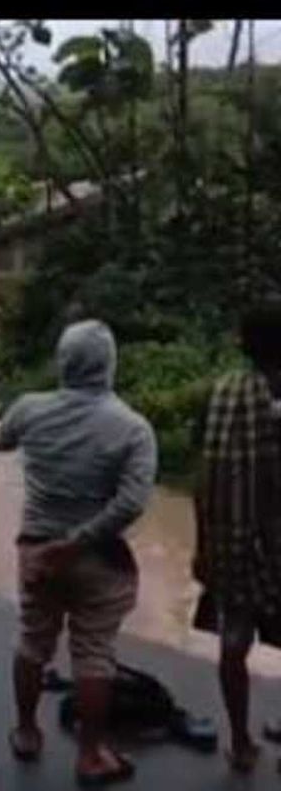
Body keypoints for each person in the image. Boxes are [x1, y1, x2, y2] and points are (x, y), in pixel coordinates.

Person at [0, 319, 157, 786]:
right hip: (98, 557)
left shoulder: (30, 409)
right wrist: (79, 542)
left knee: (32, 640)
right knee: (93, 653)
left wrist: (2, 422)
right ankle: (90, 755)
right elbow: (131, 503)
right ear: (110, 366)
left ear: (62, 363)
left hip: (38, 552)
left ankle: (26, 731)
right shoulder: (133, 429)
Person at [191, 304, 281, 773]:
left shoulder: (223, 393)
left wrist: (203, 545)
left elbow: (202, 476)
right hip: (272, 544)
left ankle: (241, 741)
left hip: (230, 542)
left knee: (234, 639)